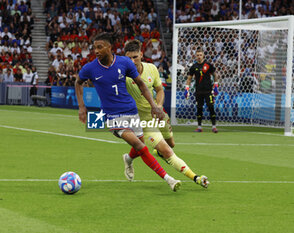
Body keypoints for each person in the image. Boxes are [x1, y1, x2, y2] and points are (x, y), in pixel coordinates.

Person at [75, 32, 181, 192]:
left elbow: (141, 84)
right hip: (112, 116)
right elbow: (78, 82)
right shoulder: (90, 68)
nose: (96, 51)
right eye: (94, 47)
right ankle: (169, 179)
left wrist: (153, 105)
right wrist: (81, 106)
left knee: (141, 146)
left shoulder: (124, 63)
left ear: (110, 48)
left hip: (131, 111)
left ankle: (128, 159)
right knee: (140, 145)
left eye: (100, 47)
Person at [124, 40, 209, 188]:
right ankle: (196, 177)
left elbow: (160, 90)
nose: (132, 61)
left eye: (135, 57)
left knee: (171, 144)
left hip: (159, 114)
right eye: (128, 58)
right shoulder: (123, 76)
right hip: (143, 121)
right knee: (167, 151)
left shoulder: (151, 69)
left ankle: (129, 158)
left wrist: (159, 106)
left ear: (141, 55)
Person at [184, 47, 219, 133]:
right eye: (197, 55)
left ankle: (214, 126)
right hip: (198, 91)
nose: (199, 56)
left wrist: (216, 86)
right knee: (199, 108)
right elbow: (189, 79)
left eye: (200, 55)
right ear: (195, 56)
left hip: (208, 91)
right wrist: (186, 89)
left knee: (211, 108)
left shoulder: (208, 65)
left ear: (203, 55)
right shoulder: (193, 67)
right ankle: (199, 127)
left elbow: (215, 75)